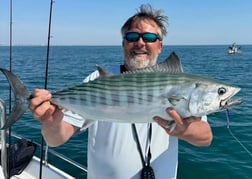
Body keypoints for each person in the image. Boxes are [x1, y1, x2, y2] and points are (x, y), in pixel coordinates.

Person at [30, 4, 212, 179]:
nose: (140, 43)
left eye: (149, 37)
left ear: (160, 46)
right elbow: (55, 140)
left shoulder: (180, 84)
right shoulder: (98, 80)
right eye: (132, 36)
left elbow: (205, 138)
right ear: (124, 43)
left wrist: (184, 130)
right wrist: (52, 122)